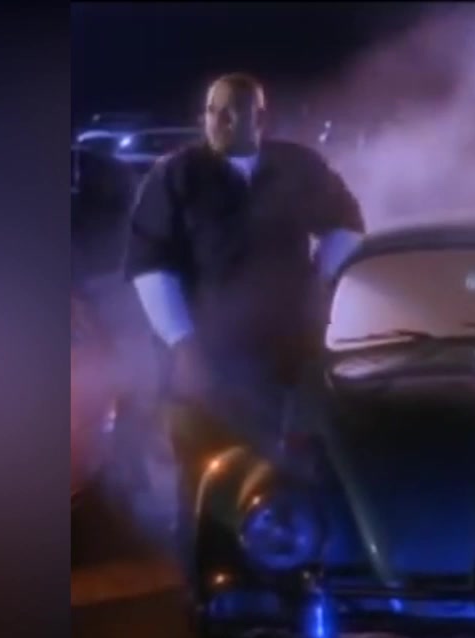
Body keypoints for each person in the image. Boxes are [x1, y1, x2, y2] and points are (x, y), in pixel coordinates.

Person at [124, 73, 366, 558]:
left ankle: (287, 564)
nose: (219, 121)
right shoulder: (177, 176)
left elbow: (346, 224)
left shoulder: (296, 167)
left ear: (261, 117)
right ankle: (209, 574)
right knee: (205, 475)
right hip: (207, 358)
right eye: (213, 111)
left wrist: (322, 280)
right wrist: (184, 346)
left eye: (233, 111)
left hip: (288, 355)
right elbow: (151, 268)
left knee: (289, 472)